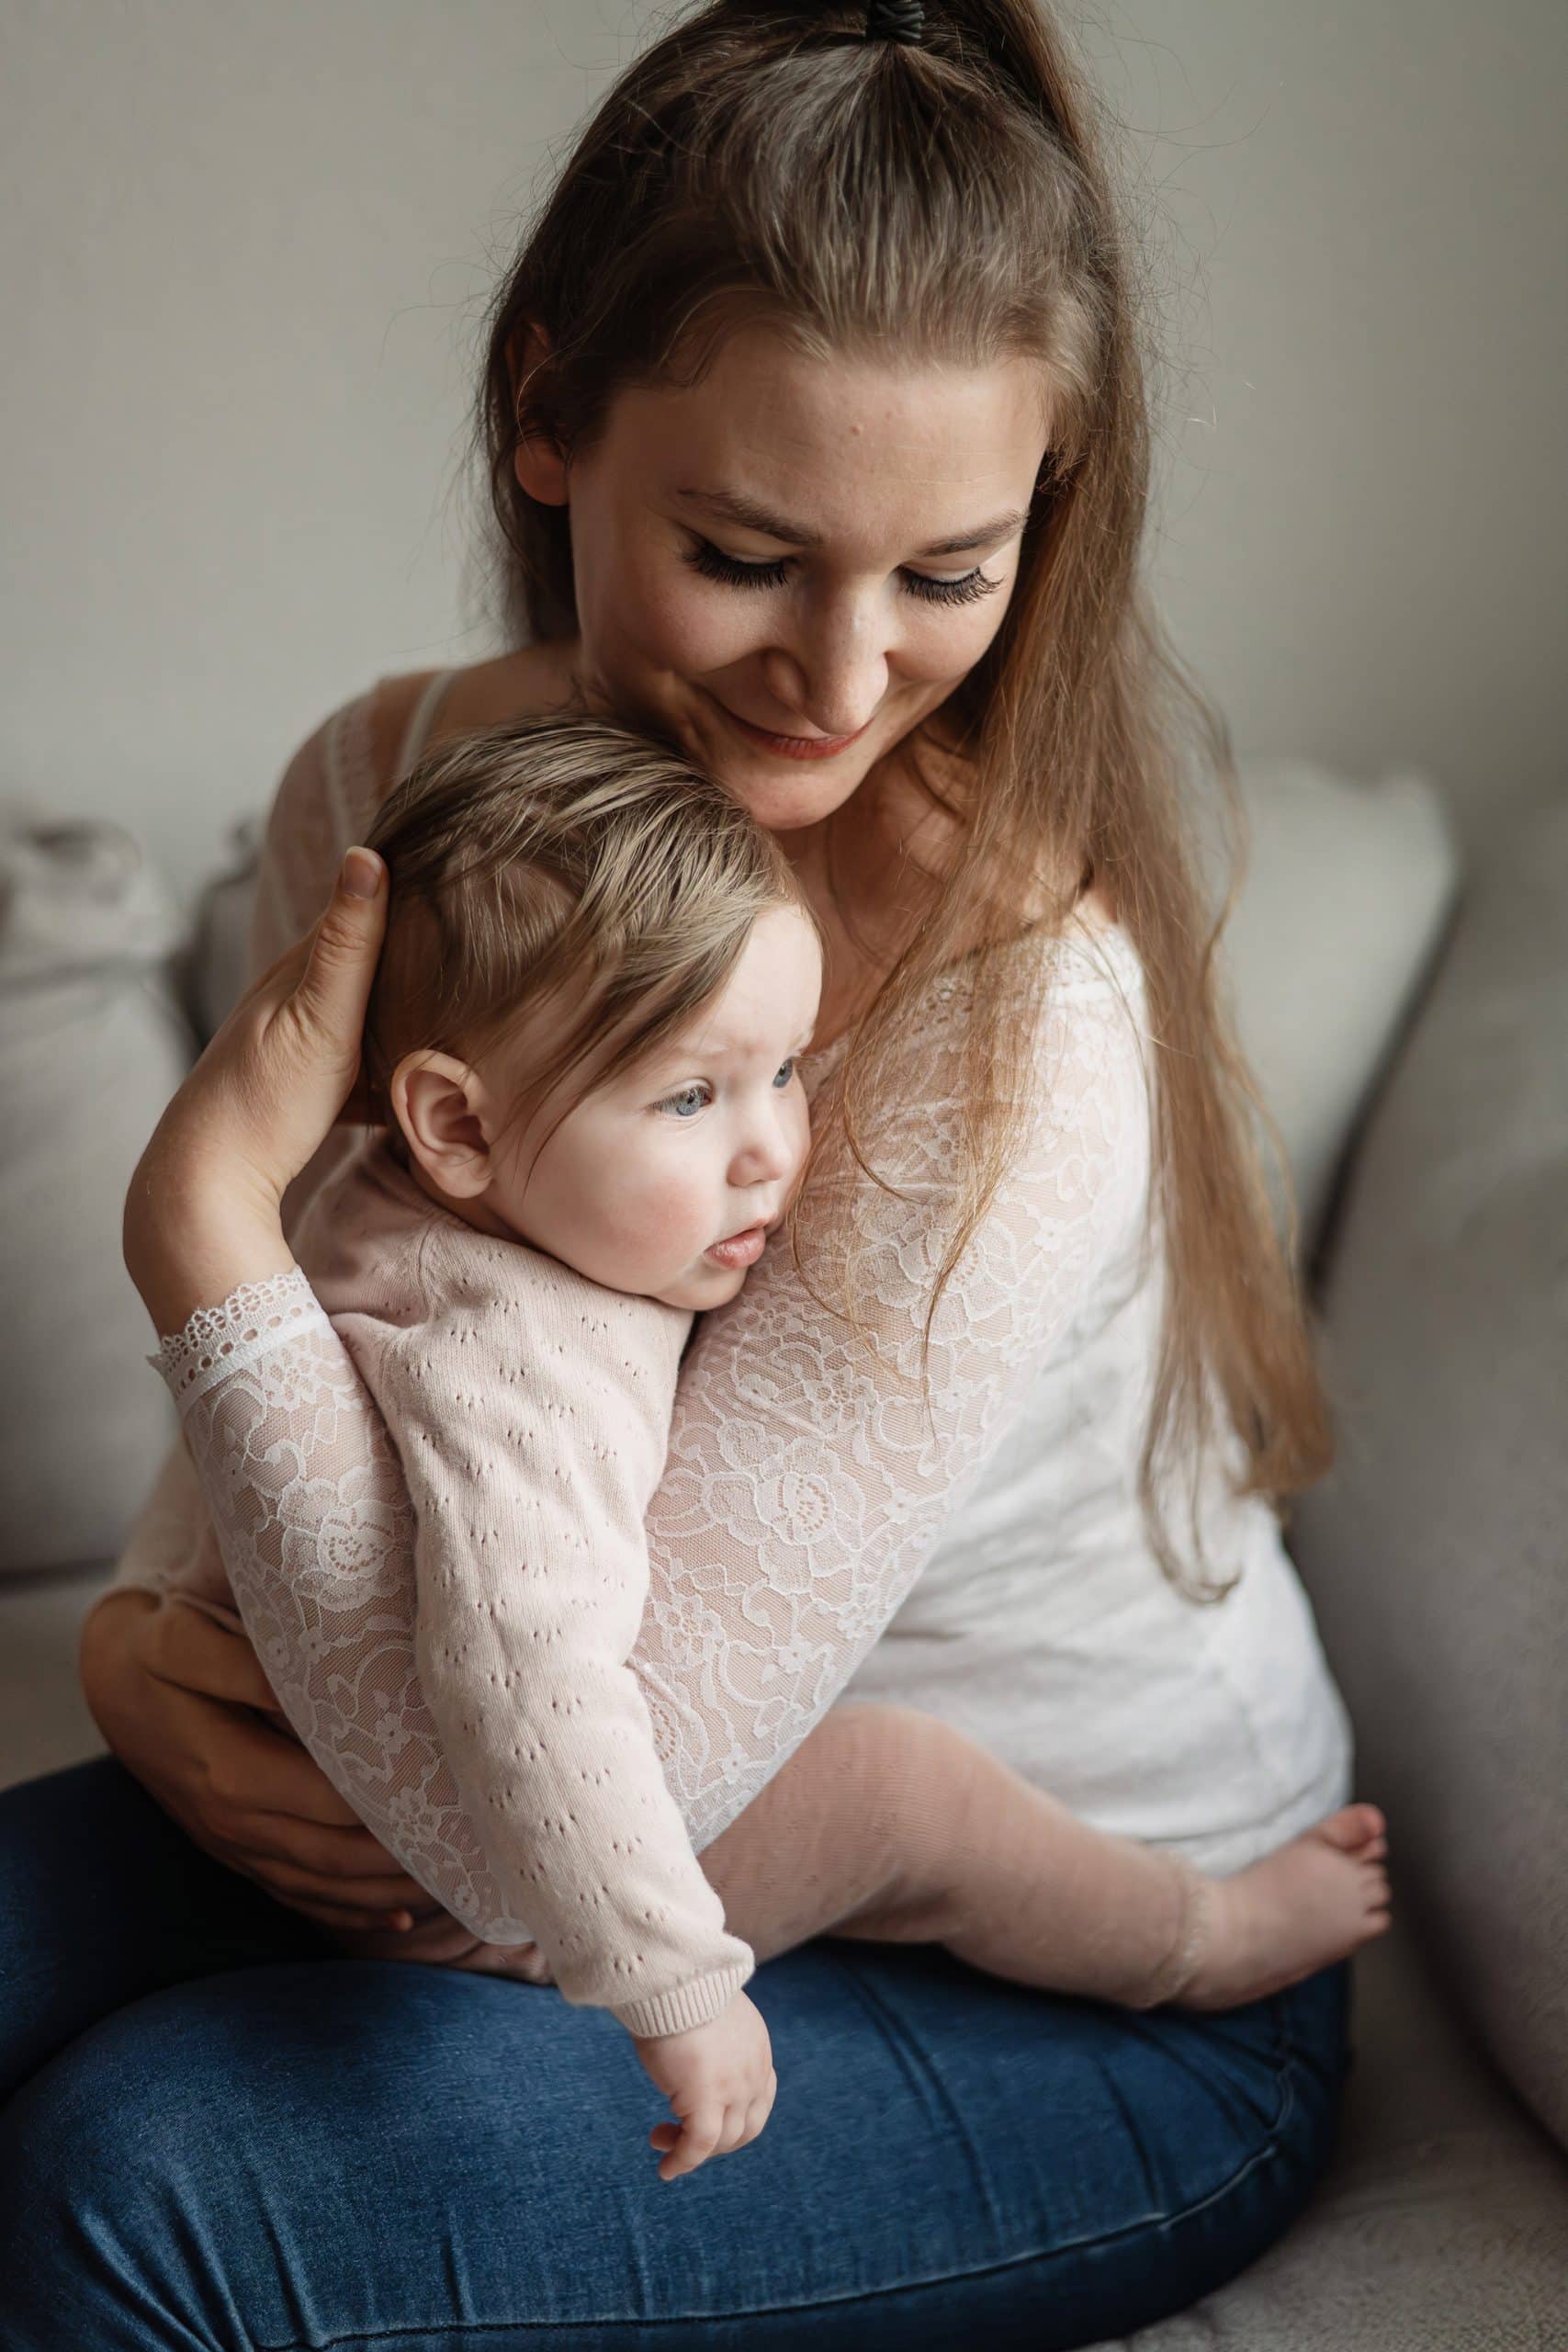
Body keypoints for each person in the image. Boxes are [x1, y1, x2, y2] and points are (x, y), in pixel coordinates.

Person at [0, 1, 1371, 2340]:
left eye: (949, 572)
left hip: (1091, 1960)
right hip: (539, 1773)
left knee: (137, 2186)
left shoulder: (1010, 1007)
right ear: (547, 417)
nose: (839, 677)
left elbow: (510, 1821)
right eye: (746, 551)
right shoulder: (397, 785)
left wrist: (193, 1242)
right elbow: (368, 1348)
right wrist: (142, 1651)